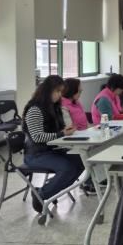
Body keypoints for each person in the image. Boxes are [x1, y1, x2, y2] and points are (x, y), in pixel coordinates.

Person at [22, 75, 86, 213]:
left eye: (61, 92)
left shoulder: (54, 107)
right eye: (57, 91)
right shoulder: (35, 109)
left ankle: (51, 191)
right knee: (67, 168)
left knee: (81, 162)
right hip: (36, 154)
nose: (59, 95)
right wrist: (61, 134)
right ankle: (41, 195)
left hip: (52, 150)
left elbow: (58, 130)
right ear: (47, 91)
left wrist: (66, 130)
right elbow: (37, 137)